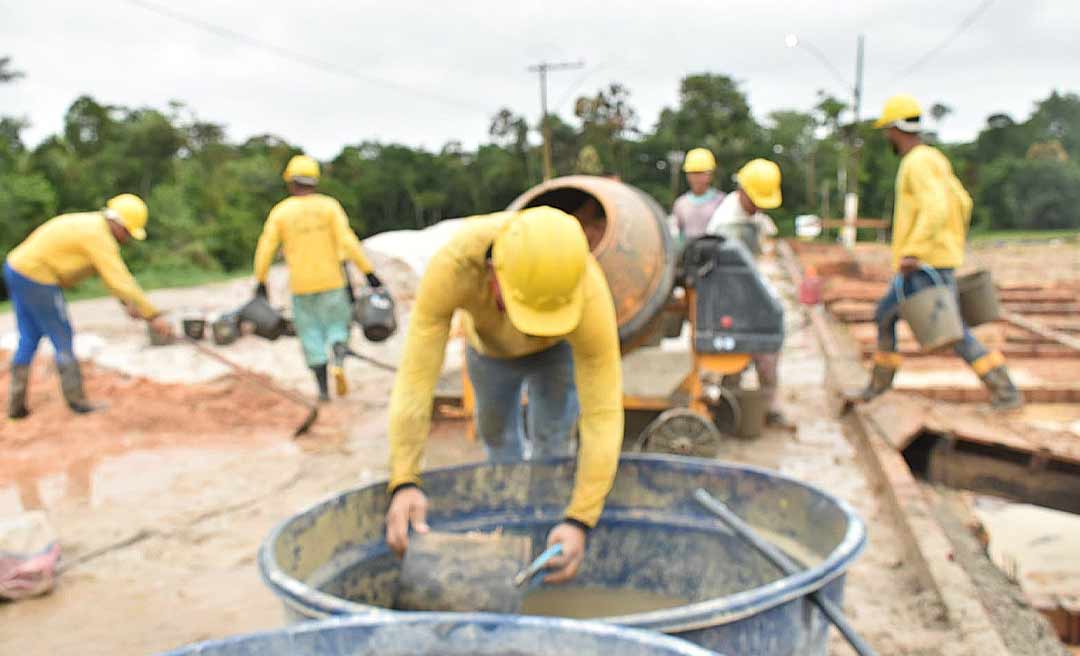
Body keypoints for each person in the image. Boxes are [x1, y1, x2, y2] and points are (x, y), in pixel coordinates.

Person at [384, 207, 623, 584]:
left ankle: (550, 535)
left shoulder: (588, 286)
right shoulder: (455, 266)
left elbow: (603, 412)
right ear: (494, 274)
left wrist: (581, 518)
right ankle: (509, 534)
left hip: (557, 355)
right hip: (489, 355)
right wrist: (404, 481)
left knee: (553, 442)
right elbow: (415, 381)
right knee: (498, 441)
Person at [858, 95, 1021, 410]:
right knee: (885, 315)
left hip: (922, 265)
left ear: (895, 128)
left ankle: (1005, 391)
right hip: (931, 261)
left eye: (887, 130)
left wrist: (915, 251)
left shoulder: (916, 162)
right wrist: (948, 243)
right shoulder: (935, 158)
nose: (886, 136)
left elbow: (935, 206)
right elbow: (962, 203)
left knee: (953, 333)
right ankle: (878, 386)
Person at [4, 194, 172, 417]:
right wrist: (152, 315)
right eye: (128, 232)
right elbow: (119, 279)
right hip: (37, 277)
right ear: (118, 223)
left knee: (29, 336)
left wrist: (127, 303)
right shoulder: (98, 236)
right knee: (61, 335)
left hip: (16, 268)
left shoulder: (90, 226)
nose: (127, 239)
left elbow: (109, 276)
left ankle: (16, 408)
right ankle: (77, 401)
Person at [253, 155, 383, 401]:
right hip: (333, 283)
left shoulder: (281, 212)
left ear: (291, 182)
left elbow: (266, 247)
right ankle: (338, 356)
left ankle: (323, 391)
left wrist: (261, 281)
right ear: (315, 181)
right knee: (337, 327)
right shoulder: (328, 206)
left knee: (310, 335)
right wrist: (369, 273)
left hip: (301, 287)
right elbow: (348, 241)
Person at [705, 158, 791, 429]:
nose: (759, 207)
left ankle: (761, 405)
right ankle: (733, 406)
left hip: (747, 289)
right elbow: (730, 273)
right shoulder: (728, 224)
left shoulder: (751, 216)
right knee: (741, 350)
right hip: (731, 295)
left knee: (761, 348)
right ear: (742, 190)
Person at [671, 147, 725, 244]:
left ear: (711, 174)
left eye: (701, 173)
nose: (697, 178)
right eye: (693, 173)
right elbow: (677, 235)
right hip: (689, 255)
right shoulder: (681, 203)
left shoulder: (721, 201)